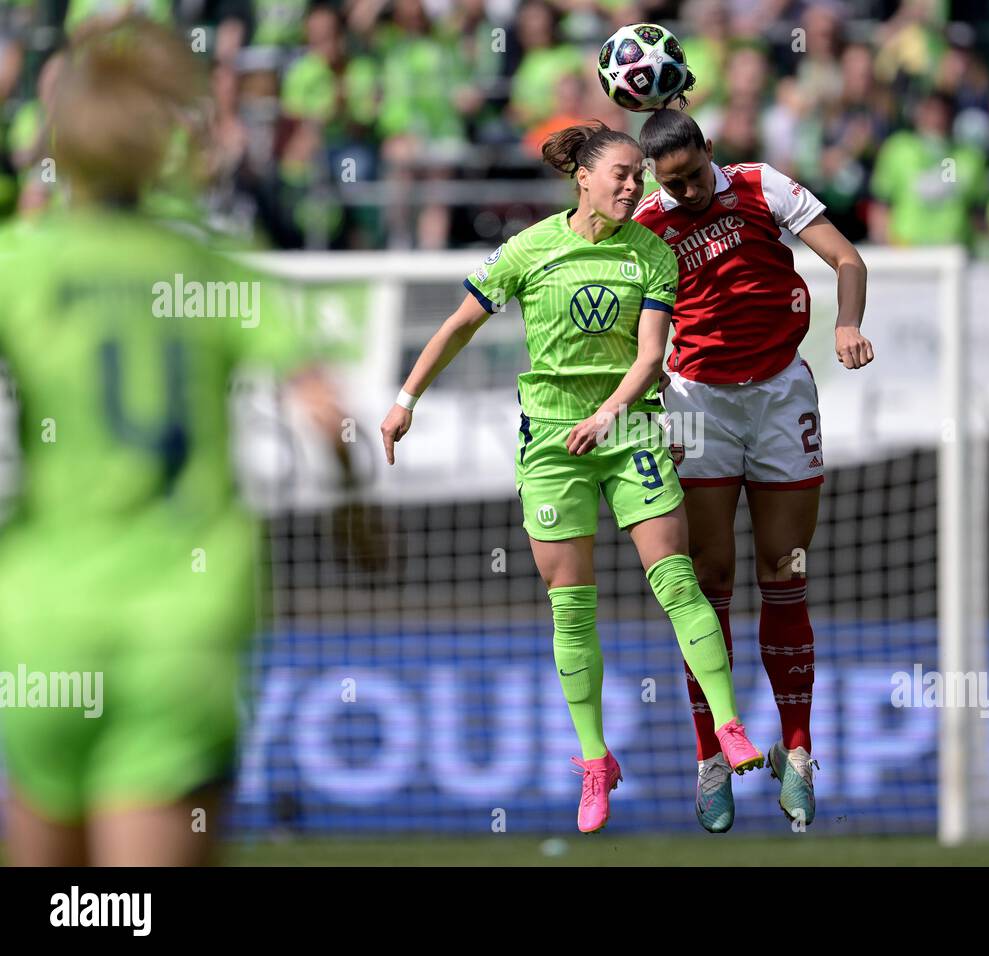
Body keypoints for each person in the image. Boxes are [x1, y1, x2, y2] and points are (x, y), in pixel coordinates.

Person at [0, 17, 348, 865]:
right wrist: (356, 515)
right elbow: (324, 414)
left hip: (46, 620)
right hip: (183, 626)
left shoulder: (20, 263)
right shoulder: (215, 269)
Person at [378, 121, 764, 834]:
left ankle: (730, 724)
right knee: (571, 604)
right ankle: (594, 761)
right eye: (621, 173)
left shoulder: (651, 253)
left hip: (630, 429)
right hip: (552, 441)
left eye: (639, 177)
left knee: (676, 578)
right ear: (581, 177)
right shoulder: (529, 250)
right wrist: (406, 400)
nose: (634, 186)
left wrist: (611, 416)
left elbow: (651, 358)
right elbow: (460, 323)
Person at [633, 108, 872, 832]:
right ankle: (712, 758)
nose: (689, 194)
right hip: (696, 403)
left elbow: (848, 260)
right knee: (708, 584)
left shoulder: (762, 185)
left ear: (711, 150)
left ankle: (796, 752)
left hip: (778, 394)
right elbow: (636, 332)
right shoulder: (646, 225)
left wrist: (847, 323)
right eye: (672, 185)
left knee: (786, 571)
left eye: (695, 175)